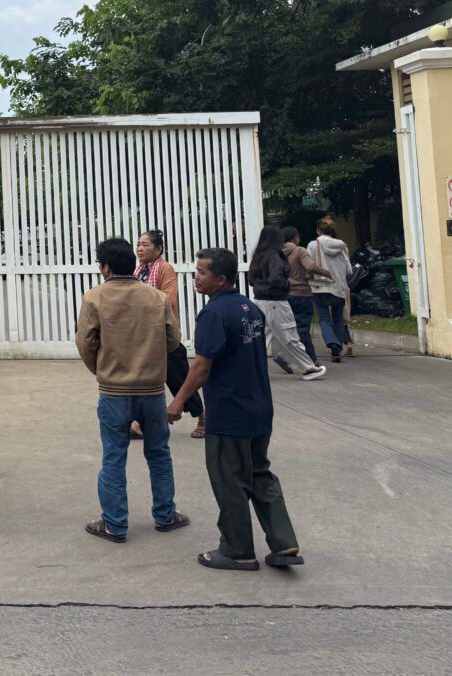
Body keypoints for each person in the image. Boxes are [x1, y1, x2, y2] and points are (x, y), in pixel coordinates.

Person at [168, 248, 304, 571]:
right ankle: (284, 543)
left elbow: (202, 365)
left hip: (229, 413)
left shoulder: (214, 314)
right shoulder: (250, 309)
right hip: (259, 410)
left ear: (221, 279)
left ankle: (236, 550)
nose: (196, 277)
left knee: (229, 479)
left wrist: (178, 400)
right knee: (259, 473)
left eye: (202, 272)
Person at [76, 237, 189, 542]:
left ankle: (115, 524)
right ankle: (166, 515)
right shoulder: (156, 298)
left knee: (114, 457)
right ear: (131, 261)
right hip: (153, 390)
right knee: (159, 454)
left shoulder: (94, 298)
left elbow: (85, 344)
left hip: (114, 391)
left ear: (105, 266)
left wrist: (102, 370)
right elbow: (173, 339)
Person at [133, 230, 204, 440]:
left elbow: (168, 299)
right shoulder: (140, 271)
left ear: (159, 249)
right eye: (138, 244)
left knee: (178, 378)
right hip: (145, 335)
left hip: (164, 334)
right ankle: (141, 422)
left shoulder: (164, 269)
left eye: (145, 245)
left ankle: (203, 416)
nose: (140, 249)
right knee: (144, 379)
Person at [246, 226, 327, 381]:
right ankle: (308, 368)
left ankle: (247, 369)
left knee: (259, 338)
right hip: (276, 301)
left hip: (259, 300)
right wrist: (286, 286)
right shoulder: (275, 256)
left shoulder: (258, 256)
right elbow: (277, 279)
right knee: (289, 336)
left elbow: (251, 280)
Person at [280, 226, 331, 367]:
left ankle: (285, 357)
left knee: (291, 328)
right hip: (302, 294)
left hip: (286, 295)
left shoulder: (278, 253)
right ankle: (310, 359)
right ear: (295, 237)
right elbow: (310, 266)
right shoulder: (299, 250)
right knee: (302, 328)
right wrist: (326, 273)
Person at [308, 218, 355, 363]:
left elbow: (309, 265)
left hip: (321, 286)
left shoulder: (313, 245)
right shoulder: (342, 246)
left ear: (318, 231)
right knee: (338, 319)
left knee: (323, 318)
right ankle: (338, 347)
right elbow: (348, 269)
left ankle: (332, 344)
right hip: (339, 287)